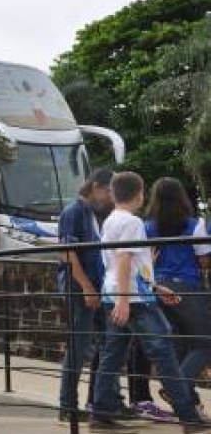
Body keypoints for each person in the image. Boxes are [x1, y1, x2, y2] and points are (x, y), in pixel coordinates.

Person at [91, 172, 210, 433]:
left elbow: (125, 264)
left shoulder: (110, 220)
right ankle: (188, 418)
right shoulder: (132, 222)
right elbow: (124, 260)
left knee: (112, 355)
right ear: (139, 194)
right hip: (132, 299)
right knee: (164, 352)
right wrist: (126, 299)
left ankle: (99, 412)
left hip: (115, 294)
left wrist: (156, 287)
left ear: (113, 193)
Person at [143, 177, 211, 415]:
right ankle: (178, 389)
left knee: (179, 345)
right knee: (205, 343)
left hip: (158, 289)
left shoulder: (146, 227)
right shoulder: (195, 225)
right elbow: (204, 260)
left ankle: (190, 406)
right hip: (186, 288)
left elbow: (145, 260)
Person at [56, 168, 114, 422]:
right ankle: (67, 405)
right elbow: (68, 252)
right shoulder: (75, 211)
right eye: (108, 190)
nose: (110, 196)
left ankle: (97, 401)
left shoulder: (91, 213)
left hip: (91, 287)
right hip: (79, 287)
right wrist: (87, 287)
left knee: (104, 343)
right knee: (79, 347)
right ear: (97, 186)